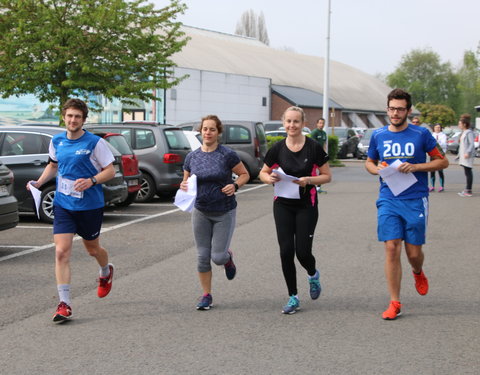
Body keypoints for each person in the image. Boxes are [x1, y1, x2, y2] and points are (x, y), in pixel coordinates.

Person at [27, 99, 116, 323]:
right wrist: (39, 183)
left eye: (77, 116)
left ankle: (106, 271)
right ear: (64, 117)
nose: (73, 120)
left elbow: (110, 171)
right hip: (63, 204)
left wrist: (92, 180)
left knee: (93, 250)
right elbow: (53, 165)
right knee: (61, 252)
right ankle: (64, 304)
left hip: (89, 206)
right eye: (69, 116)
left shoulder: (95, 143)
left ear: (83, 119)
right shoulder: (57, 141)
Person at [365, 89, 448, 320]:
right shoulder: (378, 135)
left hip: (415, 199)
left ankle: (417, 271)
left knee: (413, 253)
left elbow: (443, 161)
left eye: (400, 109)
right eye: (392, 108)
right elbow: (369, 162)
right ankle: (395, 302)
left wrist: (416, 167)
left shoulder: (421, 134)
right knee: (391, 247)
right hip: (388, 198)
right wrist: (377, 169)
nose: (395, 113)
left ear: (408, 111)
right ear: (387, 109)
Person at [259, 106, 332, 314]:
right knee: (285, 251)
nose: (292, 125)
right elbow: (263, 172)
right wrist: (268, 178)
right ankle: (293, 296)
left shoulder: (313, 147)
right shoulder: (277, 149)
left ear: (303, 124)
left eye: (296, 122)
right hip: (282, 204)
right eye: (288, 121)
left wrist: (309, 180)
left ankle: (312, 274)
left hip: (306, 205)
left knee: (302, 252)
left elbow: (327, 176)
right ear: (284, 123)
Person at [181, 115, 249, 310]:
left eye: (212, 129)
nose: (208, 133)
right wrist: (184, 186)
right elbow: (186, 182)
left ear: (218, 132)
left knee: (217, 257)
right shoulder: (192, 157)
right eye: (205, 129)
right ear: (200, 131)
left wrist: (235, 185)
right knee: (202, 257)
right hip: (201, 211)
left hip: (224, 212)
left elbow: (245, 174)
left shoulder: (227, 155)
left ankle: (227, 258)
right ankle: (206, 295)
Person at [457, 114, 475, 197]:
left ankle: (468, 190)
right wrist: (458, 156)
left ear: (464, 124)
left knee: (468, 172)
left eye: (460, 124)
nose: (459, 125)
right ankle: (468, 189)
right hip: (463, 156)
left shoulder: (469, 132)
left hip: (467, 156)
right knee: (466, 172)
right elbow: (462, 146)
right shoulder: (463, 132)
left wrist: (467, 152)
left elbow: (471, 144)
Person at [310, 118, 328, 193]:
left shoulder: (324, 133)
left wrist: (325, 153)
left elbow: (324, 144)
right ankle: (311, 187)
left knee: (322, 171)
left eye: (323, 123)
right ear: (317, 124)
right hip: (314, 154)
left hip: (321, 155)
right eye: (320, 123)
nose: (321, 125)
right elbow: (312, 144)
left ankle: (318, 187)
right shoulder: (314, 132)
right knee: (312, 171)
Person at [429, 123, 447, 192]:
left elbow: (444, 144)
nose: (437, 128)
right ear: (434, 128)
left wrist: (436, 143)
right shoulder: (431, 135)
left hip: (440, 155)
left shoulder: (443, 135)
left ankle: (441, 186)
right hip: (433, 155)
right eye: (436, 127)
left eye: (439, 127)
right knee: (432, 171)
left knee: (440, 171)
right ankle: (432, 186)